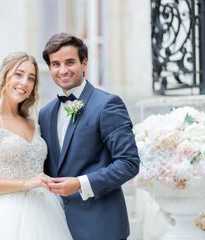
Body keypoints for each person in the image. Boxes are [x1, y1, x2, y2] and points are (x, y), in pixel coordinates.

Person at [0, 52, 72, 240]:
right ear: (5, 76)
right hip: (6, 215)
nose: (24, 82)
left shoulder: (34, 123)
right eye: (19, 74)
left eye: (31, 78)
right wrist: (25, 184)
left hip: (45, 211)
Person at [38, 32, 140, 240]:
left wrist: (80, 184)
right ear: (50, 68)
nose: (63, 70)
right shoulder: (45, 113)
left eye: (70, 62)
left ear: (84, 64)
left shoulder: (108, 104)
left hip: (102, 227)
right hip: (56, 226)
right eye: (55, 64)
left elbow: (129, 163)